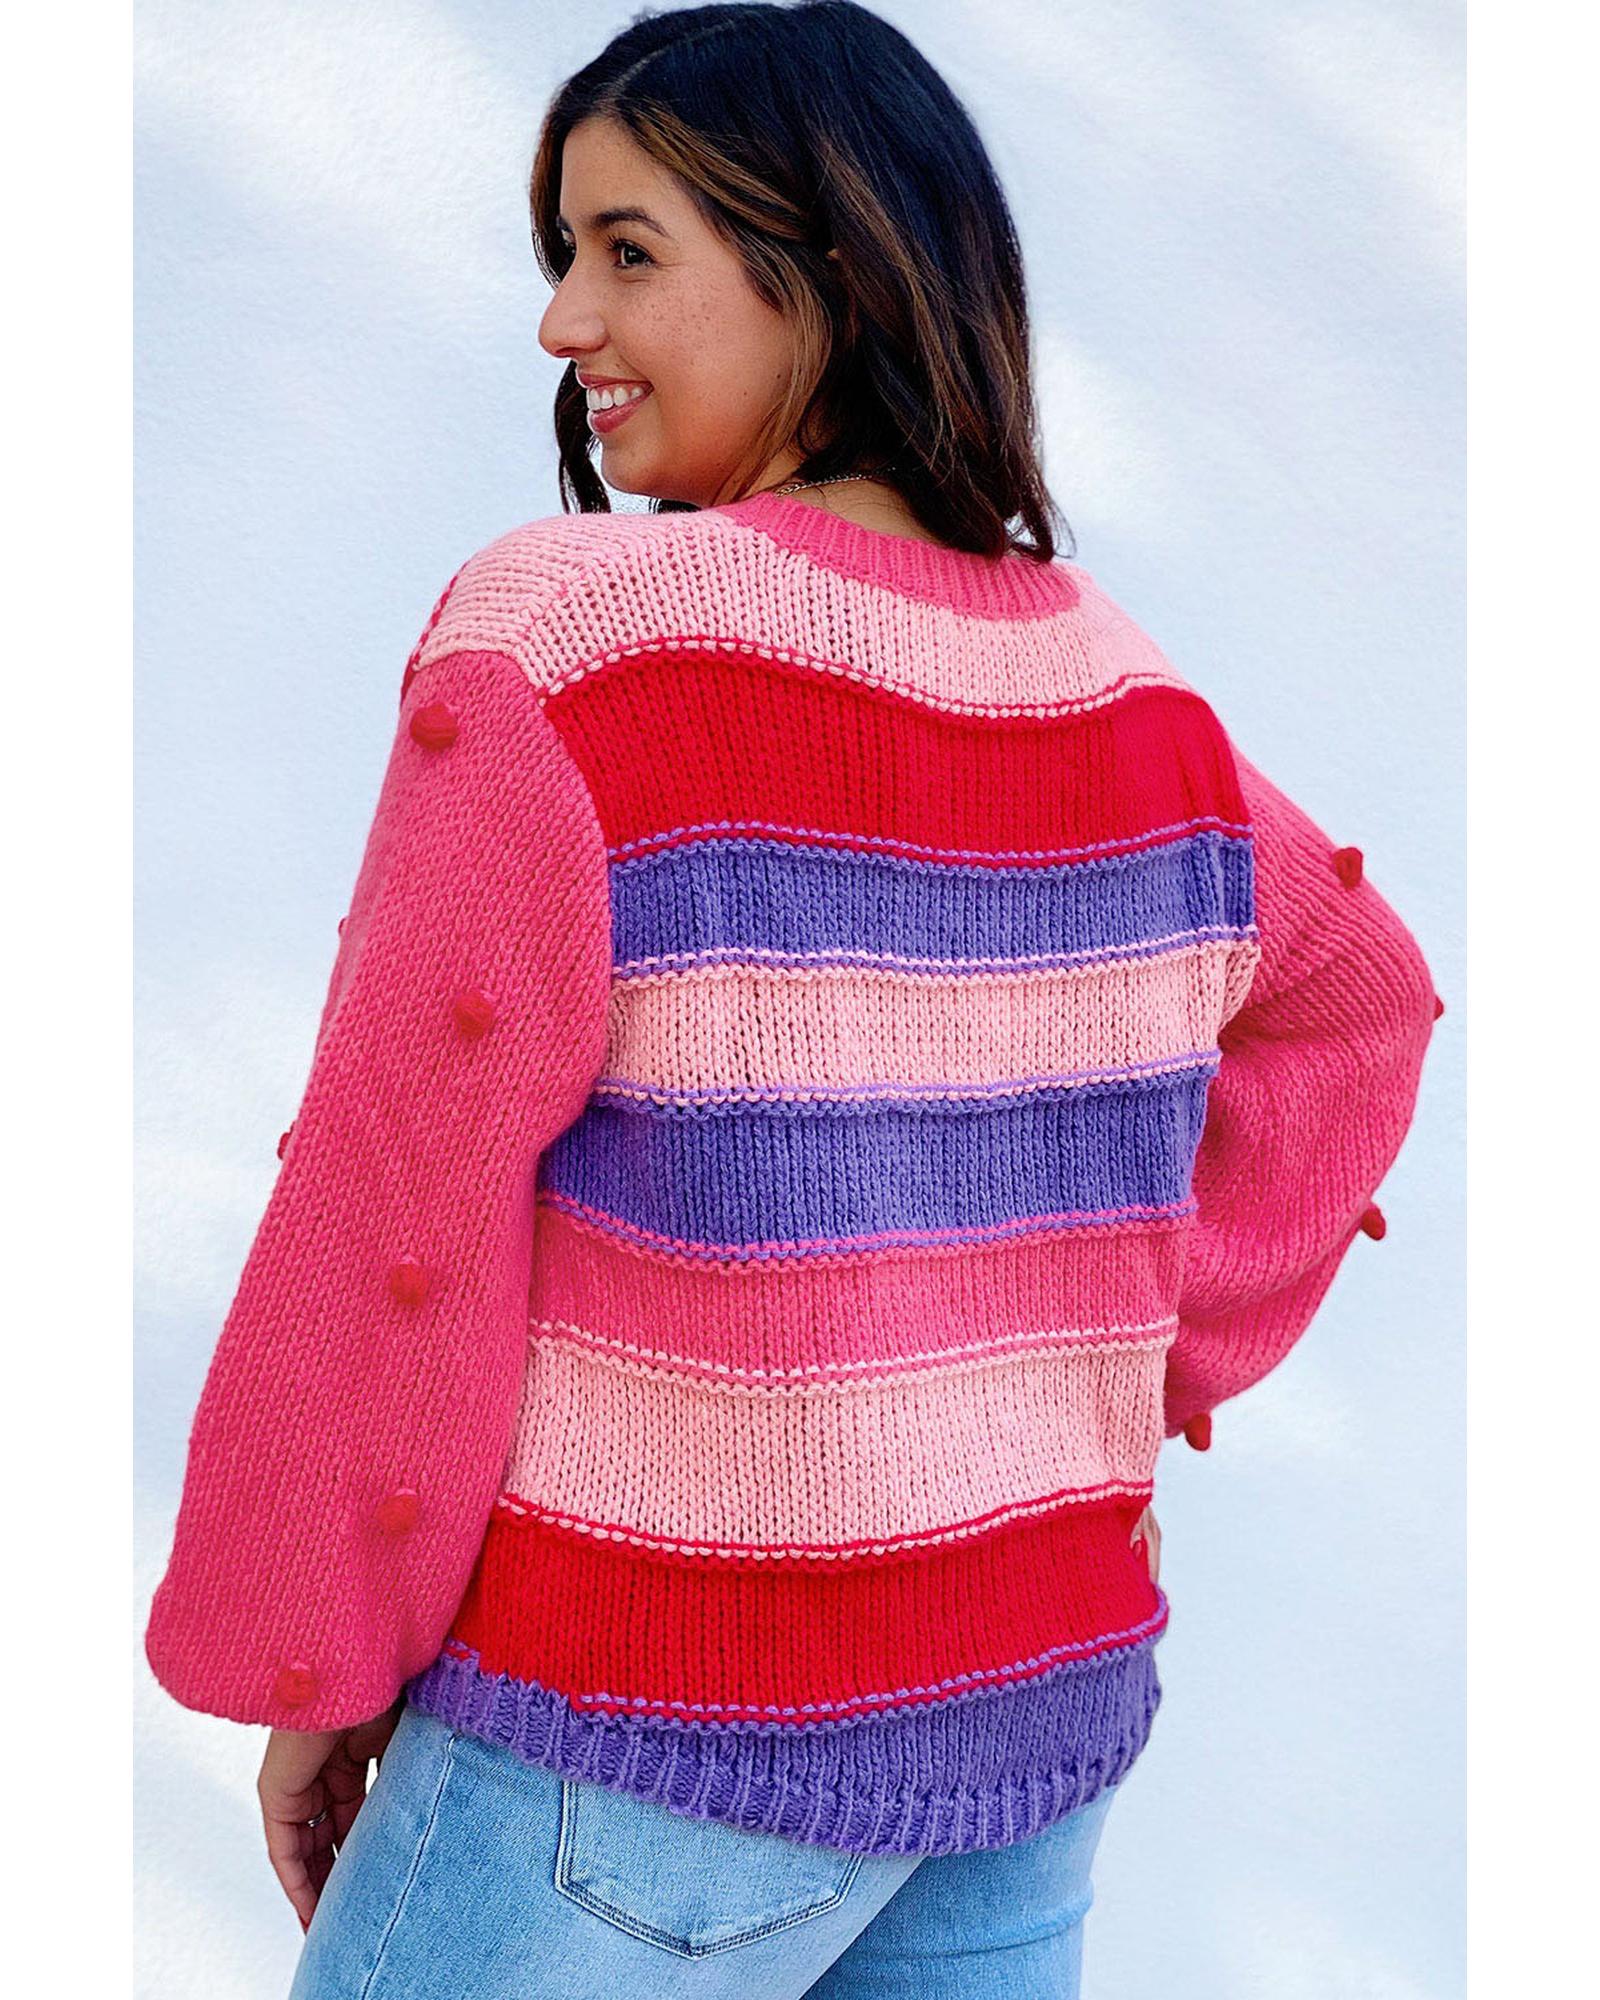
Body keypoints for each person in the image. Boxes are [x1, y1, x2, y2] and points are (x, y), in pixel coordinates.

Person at [142, 5, 1439, 1995]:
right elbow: (1361, 1000)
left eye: (626, 250)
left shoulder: (575, 645)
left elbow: (400, 1201)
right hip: (1028, 1730)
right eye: (561, 254)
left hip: (631, 1739)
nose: (564, 322)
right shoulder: (1134, 702)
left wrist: (316, 1654)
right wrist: (1107, 1382)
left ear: (829, 266)